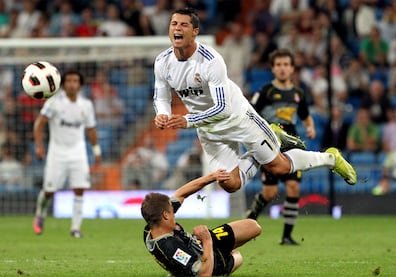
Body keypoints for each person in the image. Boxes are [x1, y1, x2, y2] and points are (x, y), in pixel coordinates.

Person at [153, 8, 357, 196]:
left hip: (237, 117)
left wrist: (187, 121)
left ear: (195, 31)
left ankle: (330, 158)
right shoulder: (163, 62)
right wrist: (162, 113)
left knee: (279, 167)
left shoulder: (210, 61)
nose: (177, 28)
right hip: (208, 129)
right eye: (173, 24)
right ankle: (270, 141)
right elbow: (161, 96)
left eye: (183, 24)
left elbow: (222, 109)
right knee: (229, 184)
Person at [245, 49, 315, 245]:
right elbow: (249, 114)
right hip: (269, 146)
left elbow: (305, 115)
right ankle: (250, 220)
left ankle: (286, 236)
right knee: (269, 193)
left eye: (286, 64)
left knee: (293, 188)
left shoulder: (298, 93)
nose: (282, 68)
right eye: (278, 65)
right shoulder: (265, 92)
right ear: (273, 68)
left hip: (292, 145)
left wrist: (310, 127)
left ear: (292, 68)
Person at [141, 169, 262, 276]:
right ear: (165, 215)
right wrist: (207, 240)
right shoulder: (171, 248)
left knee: (253, 226)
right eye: (172, 212)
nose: (174, 215)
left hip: (198, 242)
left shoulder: (152, 225)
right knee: (238, 256)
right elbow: (204, 273)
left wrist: (213, 177)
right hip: (210, 262)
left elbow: (181, 193)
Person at [32, 70, 102, 238]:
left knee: (80, 189)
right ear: (64, 84)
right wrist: (39, 146)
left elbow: (91, 129)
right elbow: (39, 123)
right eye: (69, 81)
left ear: (80, 84)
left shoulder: (86, 105)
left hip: (78, 152)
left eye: (75, 81)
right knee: (49, 191)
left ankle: (75, 228)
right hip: (57, 153)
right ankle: (40, 214)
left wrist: (96, 150)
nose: (72, 84)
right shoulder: (54, 102)